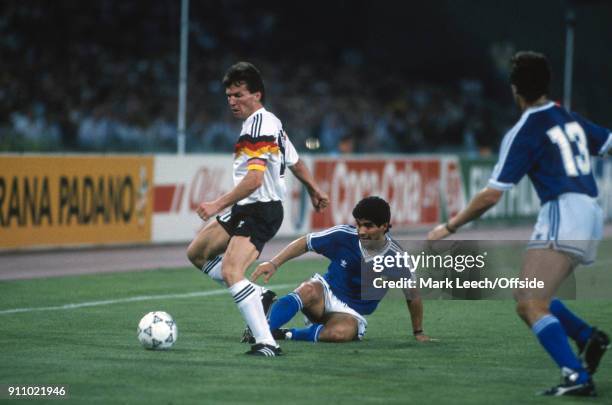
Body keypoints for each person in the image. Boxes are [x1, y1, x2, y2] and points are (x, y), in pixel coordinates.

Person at [428, 51, 611, 396]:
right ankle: (587, 338)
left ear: (515, 90)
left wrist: (449, 227)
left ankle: (576, 375)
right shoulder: (569, 118)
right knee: (526, 294)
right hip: (588, 210)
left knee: (530, 303)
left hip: (563, 211)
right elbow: (609, 142)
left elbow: (490, 196)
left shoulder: (526, 129)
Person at [186, 61, 329, 356]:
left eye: (239, 95)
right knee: (197, 252)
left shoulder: (260, 127)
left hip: (260, 210)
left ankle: (266, 342)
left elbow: (253, 181)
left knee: (230, 271)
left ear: (257, 95)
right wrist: (313, 188)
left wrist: (216, 204)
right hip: (245, 207)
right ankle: (259, 295)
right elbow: (295, 160)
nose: (232, 101)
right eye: (228, 96)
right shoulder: (270, 122)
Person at [250, 196, 431, 343]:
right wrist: (274, 263)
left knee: (339, 334)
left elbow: (412, 295)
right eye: (359, 224)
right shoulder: (343, 236)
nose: (361, 231)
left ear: (384, 226)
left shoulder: (396, 257)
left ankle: (287, 334)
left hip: (350, 313)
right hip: (325, 294)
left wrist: (418, 331)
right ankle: (261, 332)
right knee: (308, 289)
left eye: (368, 225)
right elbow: (305, 242)